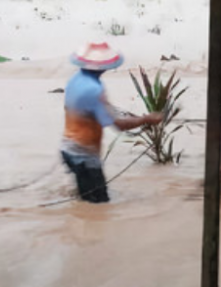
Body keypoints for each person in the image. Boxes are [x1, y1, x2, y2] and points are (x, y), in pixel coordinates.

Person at [61, 41, 163, 203]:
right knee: (99, 205)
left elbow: (91, 109)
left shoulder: (75, 80)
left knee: (83, 201)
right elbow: (118, 125)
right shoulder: (95, 89)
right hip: (85, 157)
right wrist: (146, 119)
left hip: (67, 150)